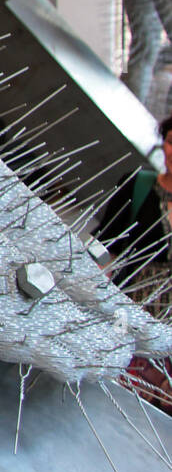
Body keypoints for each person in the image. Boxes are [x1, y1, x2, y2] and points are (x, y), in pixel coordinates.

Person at [95, 114, 172, 410]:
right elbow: (104, 248)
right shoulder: (136, 185)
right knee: (113, 404)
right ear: (162, 143)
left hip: (168, 340)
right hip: (128, 321)